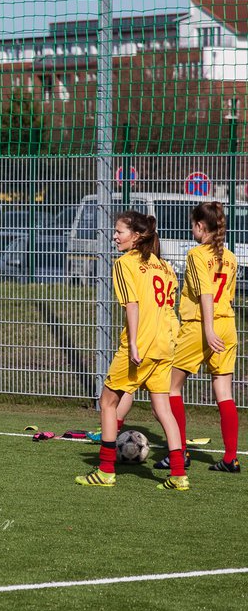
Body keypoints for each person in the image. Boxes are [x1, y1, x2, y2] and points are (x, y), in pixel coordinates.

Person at [77, 210, 187, 491]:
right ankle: (178, 475)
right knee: (163, 409)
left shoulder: (125, 263)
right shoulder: (163, 266)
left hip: (141, 345)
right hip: (165, 344)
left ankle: (105, 470)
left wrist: (135, 343)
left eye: (119, 232)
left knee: (107, 402)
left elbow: (133, 306)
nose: (114, 236)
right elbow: (168, 307)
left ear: (136, 236)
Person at [166, 202, 239, 473]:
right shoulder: (229, 257)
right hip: (227, 325)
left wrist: (207, 329)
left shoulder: (197, 254)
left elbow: (206, 293)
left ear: (200, 226)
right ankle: (231, 458)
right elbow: (227, 295)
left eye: (192, 224)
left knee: (171, 387)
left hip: (200, 326)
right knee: (223, 391)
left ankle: (181, 451)